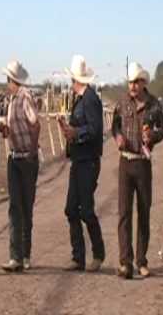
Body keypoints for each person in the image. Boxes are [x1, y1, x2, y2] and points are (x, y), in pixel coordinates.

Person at [112, 62, 163, 279]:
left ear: (144, 83)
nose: (132, 86)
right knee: (124, 213)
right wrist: (117, 137)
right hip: (125, 161)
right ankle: (125, 262)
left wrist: (152, 136)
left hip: (143, 163)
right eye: (130, 82)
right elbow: (115, 125)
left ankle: (141, 261)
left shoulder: (154, 105)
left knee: (143, 212)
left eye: (136, 82)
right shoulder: (122, 102)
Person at [59, 55, 105, 272]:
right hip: (79, 159)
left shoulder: (90, 99)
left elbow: (95, 130)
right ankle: (78, 257)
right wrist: (71, 133)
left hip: (88, 162)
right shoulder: (81, 99)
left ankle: (97, 253)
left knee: (86, 210)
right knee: (71, 209)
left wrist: (75, 132)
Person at [0, 60, 40, 272]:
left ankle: (24, 254)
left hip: (26, 159)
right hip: (14, 157)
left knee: (24, 208)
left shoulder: (24, 97)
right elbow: (17, 128)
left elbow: (35, 123)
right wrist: (5, 131)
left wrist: (32, 151)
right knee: (15, 207)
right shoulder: (11, 100)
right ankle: (16, 256)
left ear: (11, 79)